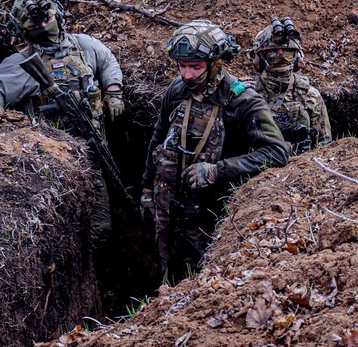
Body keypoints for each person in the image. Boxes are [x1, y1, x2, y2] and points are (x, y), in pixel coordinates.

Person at [0, 0, 124, 244]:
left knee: (101, 226)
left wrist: (114, 90)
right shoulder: (23, 63)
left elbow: (108, 62)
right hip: (54, 164)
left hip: (95, 151)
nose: (43, 26)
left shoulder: (84, 46)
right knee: (69, 231)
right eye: (35, 25)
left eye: (46, 20)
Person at [140, 20, 290, 282]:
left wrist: (217, 170)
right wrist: (147, 189)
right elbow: (159, 136)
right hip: (168, 207)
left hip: (210, 213)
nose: (187, 75)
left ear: (216, 62)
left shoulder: (242, 101)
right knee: (169, 269)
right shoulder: (176, 90)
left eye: (196, 67)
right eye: (182, 66)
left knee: (201, 279)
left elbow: (277, 153)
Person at [246, 17, 332, 154]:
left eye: (287, 51)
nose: (280, 55)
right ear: (259, 59)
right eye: (272, 51)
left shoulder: (309, 95)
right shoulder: (247, 96)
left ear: (298, 58)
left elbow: (325, 146)